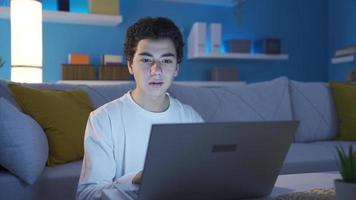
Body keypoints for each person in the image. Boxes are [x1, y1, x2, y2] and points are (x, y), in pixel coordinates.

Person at [76, 17, 204, 200]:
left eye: (166, 61)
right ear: (130, 65)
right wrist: (134, 180)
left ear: (176, 68)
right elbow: (86, 195)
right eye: (146, 60)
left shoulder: (191, 118)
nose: (156, 70)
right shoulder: (103, 119)